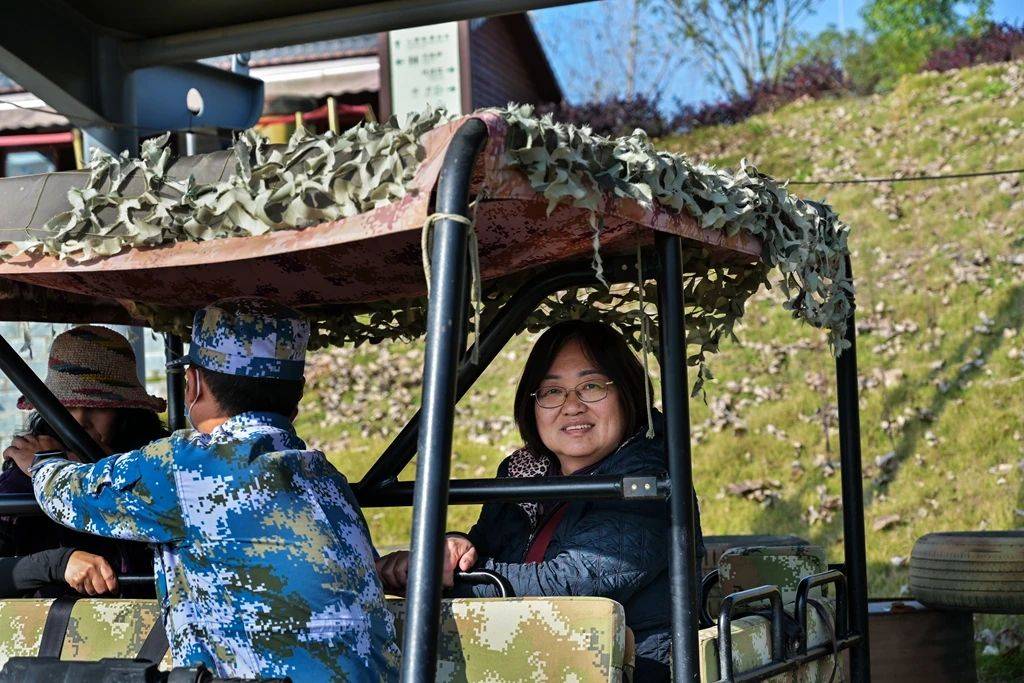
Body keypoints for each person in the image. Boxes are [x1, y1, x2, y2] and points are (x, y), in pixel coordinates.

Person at [10, 298, 399, 681]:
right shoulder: (325, 476)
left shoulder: (183, 466)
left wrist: (43, 463)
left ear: (192, 385)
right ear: (295, 401)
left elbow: (70, 494)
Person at [377, 320, 704, 681]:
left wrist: (436, 576)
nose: (572, 406)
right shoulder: (521, 476)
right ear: (532, 404)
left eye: (591, 386)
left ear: (627, 393)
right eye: (552, 392)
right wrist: (453, 547)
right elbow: (485, 548)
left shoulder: (651, 481)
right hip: (530, 662)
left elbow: (568, 583)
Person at [0, 325, 167, 597]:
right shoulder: (20, 480)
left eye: (97, 406)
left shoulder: (157, 467)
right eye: (65, 407)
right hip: (47, 633)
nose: (78, 421)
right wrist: (57, 564)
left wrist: (90, 462)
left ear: (127, 412)